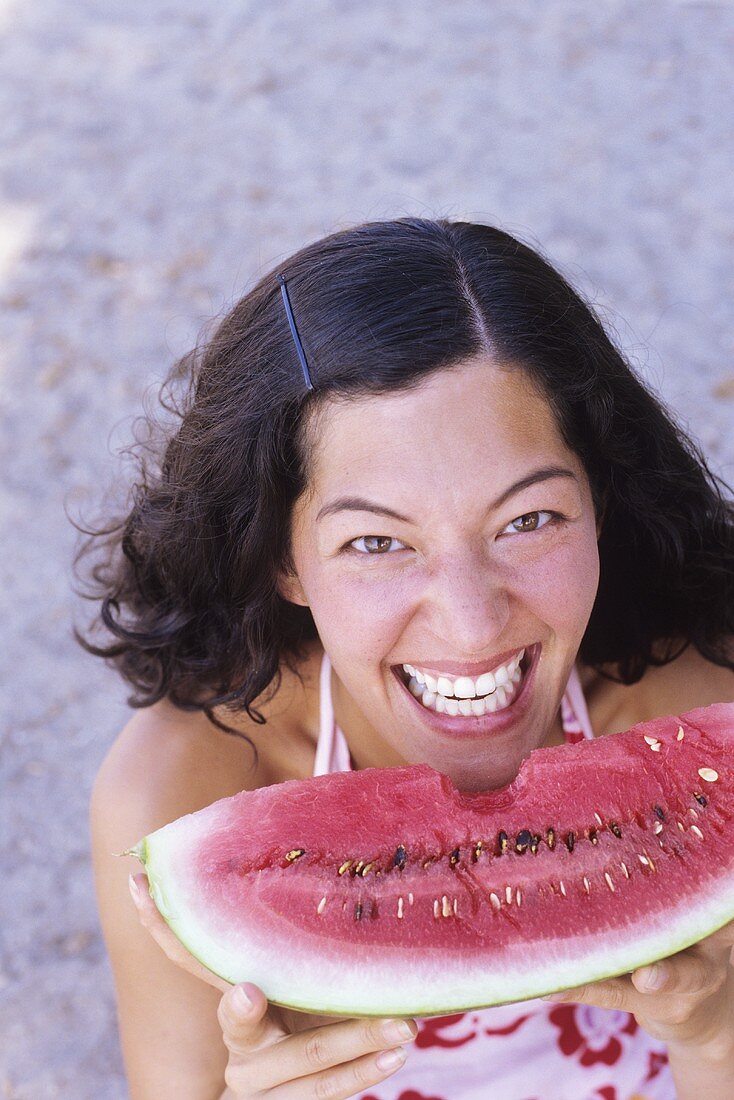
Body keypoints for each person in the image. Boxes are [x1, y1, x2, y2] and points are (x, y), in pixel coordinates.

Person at [81, 218, 734, 1100]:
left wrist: (712, 1038)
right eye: (377, 542)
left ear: (602, 503)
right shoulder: (179, 799)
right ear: (282, 558)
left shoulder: (696, 722)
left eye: (529, 521)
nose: (472, 626)